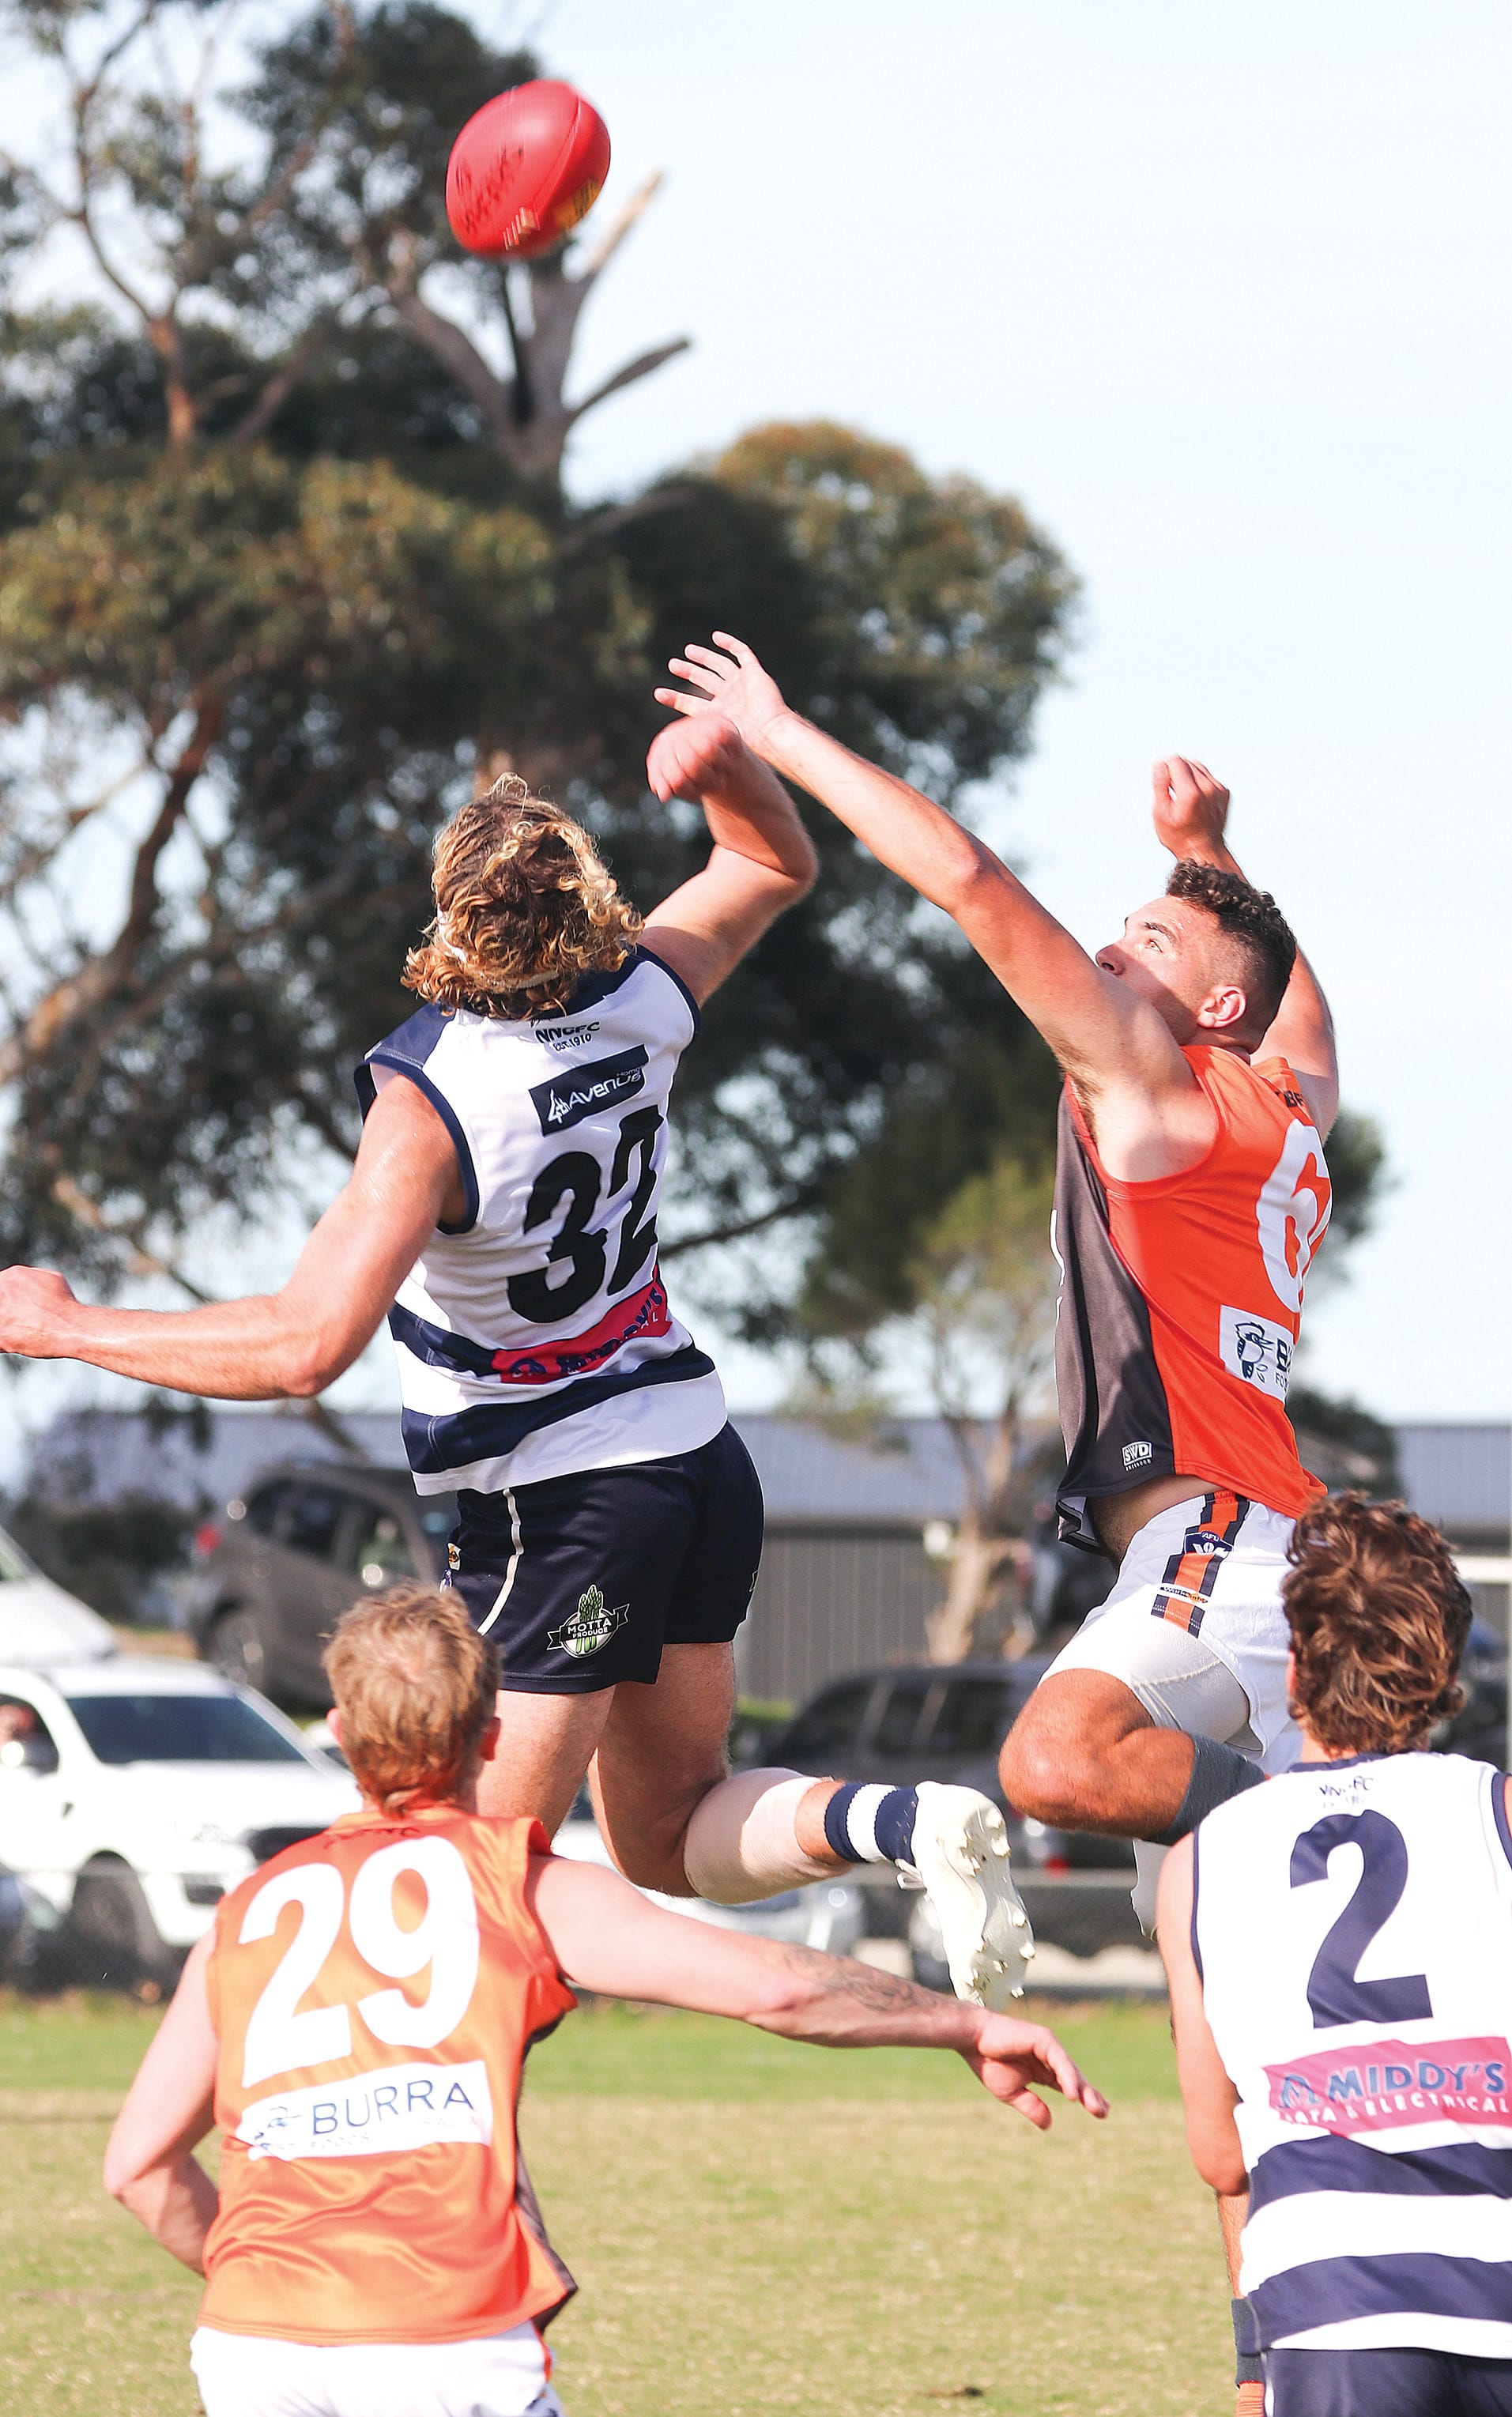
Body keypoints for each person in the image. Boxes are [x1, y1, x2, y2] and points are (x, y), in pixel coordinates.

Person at [0, 716, 1034, 2005]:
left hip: (563, 1507)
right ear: (590, 907)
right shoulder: (645, 996)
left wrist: (63, 1324)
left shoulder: (431, 1101)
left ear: (451, 917)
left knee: (470, 1877)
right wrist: (728, 773)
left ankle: (431, 2134)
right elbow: (771, 861)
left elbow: (303, 1345)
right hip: (696, 1456)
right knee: (664, 1832)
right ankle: (902, 1820)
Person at [651, 635, 1338, 1884]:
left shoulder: (1157, 1090)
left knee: (1056, 1766)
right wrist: (1207, 856)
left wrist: (777, 729)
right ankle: (1345, 1834)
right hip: (1270, 1547)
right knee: (1206, 1922)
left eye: (1150, 938)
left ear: (1215, 1011)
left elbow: (969, 880)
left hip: (1217, 1535)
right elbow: (1305, 1018)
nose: (1111, 950)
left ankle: (1349, 1822)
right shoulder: (1283, 1109)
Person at [104, 1586, 1108, 2417]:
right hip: (442, 2337)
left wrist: (275, 2287)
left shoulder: (245, 1912)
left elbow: (140, 2168)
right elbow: (774, 1985)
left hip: (252, 2350)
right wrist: (963, 2020)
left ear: (336, 1731)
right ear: (491, 1736)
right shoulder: (517, 1881)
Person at [1157, 1493, 1512, 2417]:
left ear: (1293, 1666)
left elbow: (1220, 2153)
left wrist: (1251, 2364)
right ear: (1443, 1669)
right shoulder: (1499, 1810)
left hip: (1329, 2304)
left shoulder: (1200, 1861)